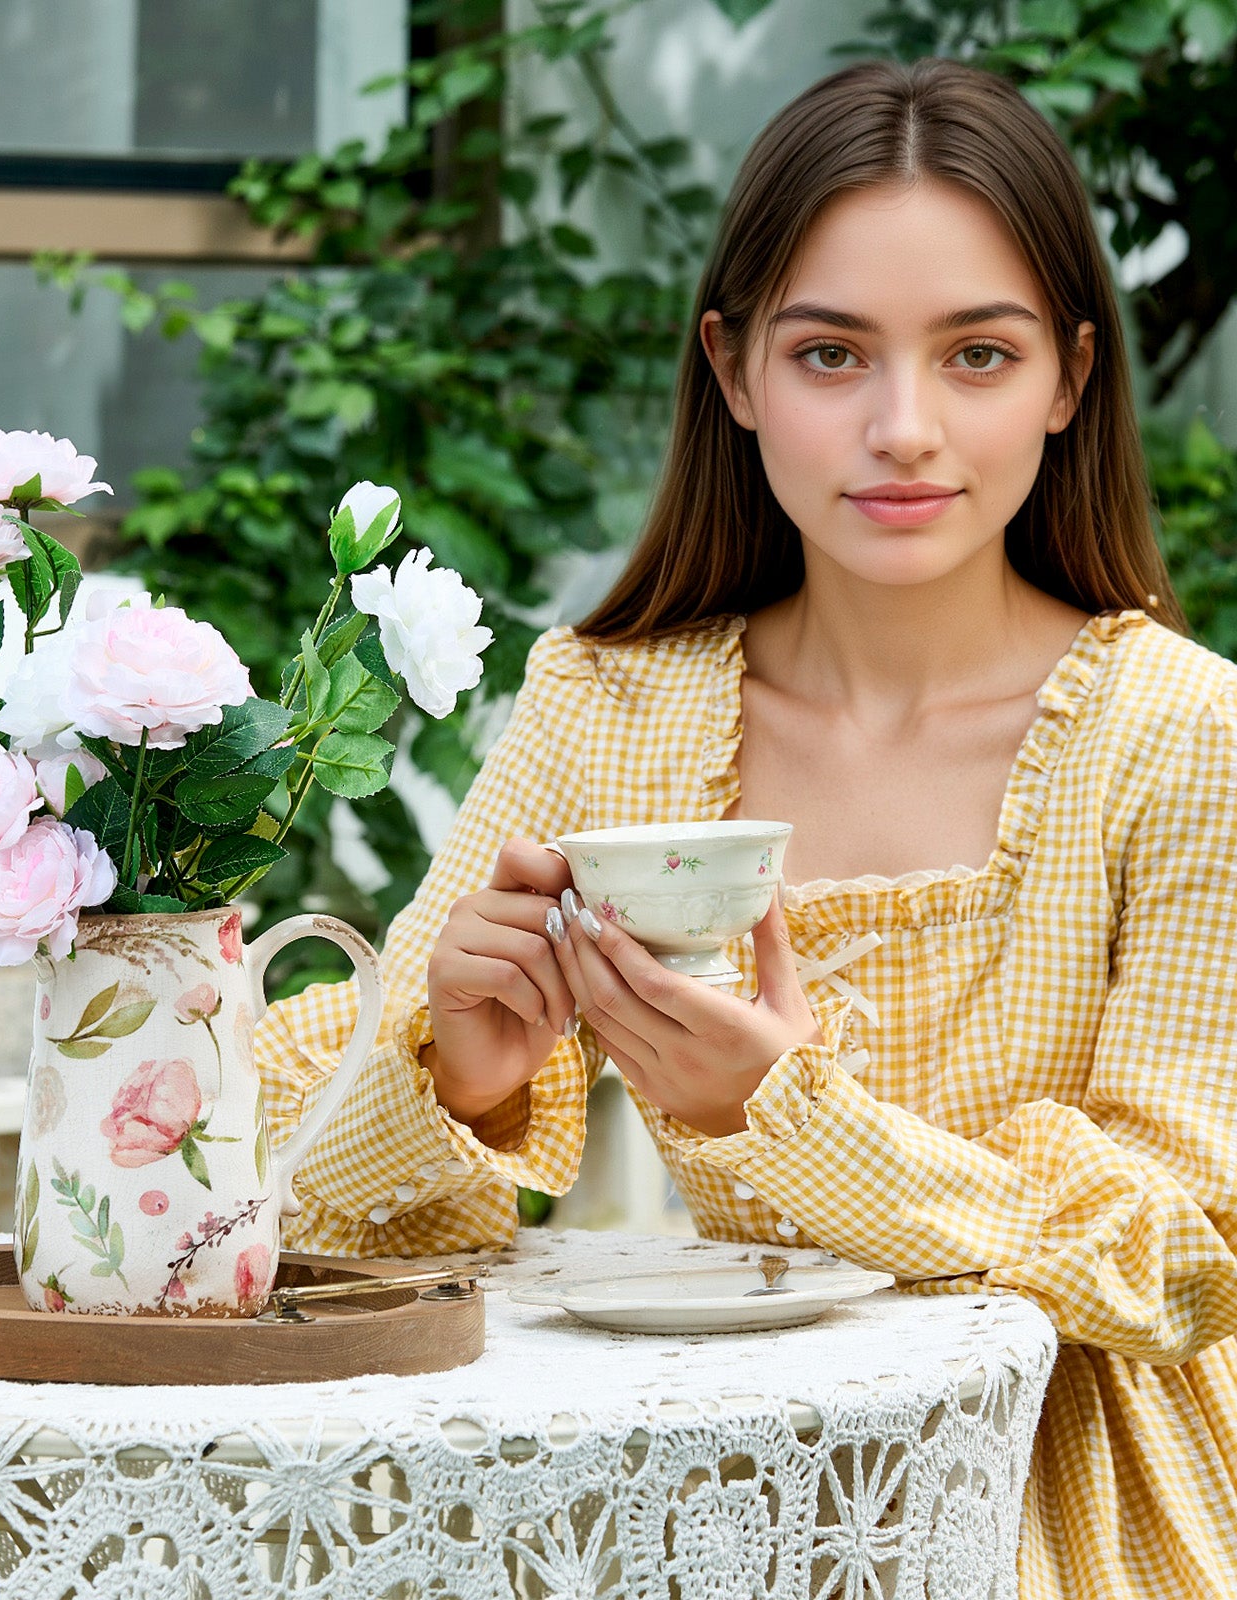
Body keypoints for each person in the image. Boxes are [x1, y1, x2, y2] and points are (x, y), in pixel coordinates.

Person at [255, 56, 1237, 1599]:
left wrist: (791, 1116)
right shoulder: (609, 710)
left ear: (1070, 380)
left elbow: (1184, 1253)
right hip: (700, 1497)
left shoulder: (1182, 735)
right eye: (832, 355)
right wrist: (464, 1076)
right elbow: (310, 1188)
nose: (903, 428)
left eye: (977, 355)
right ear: (732, 371)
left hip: (1071, 1509)